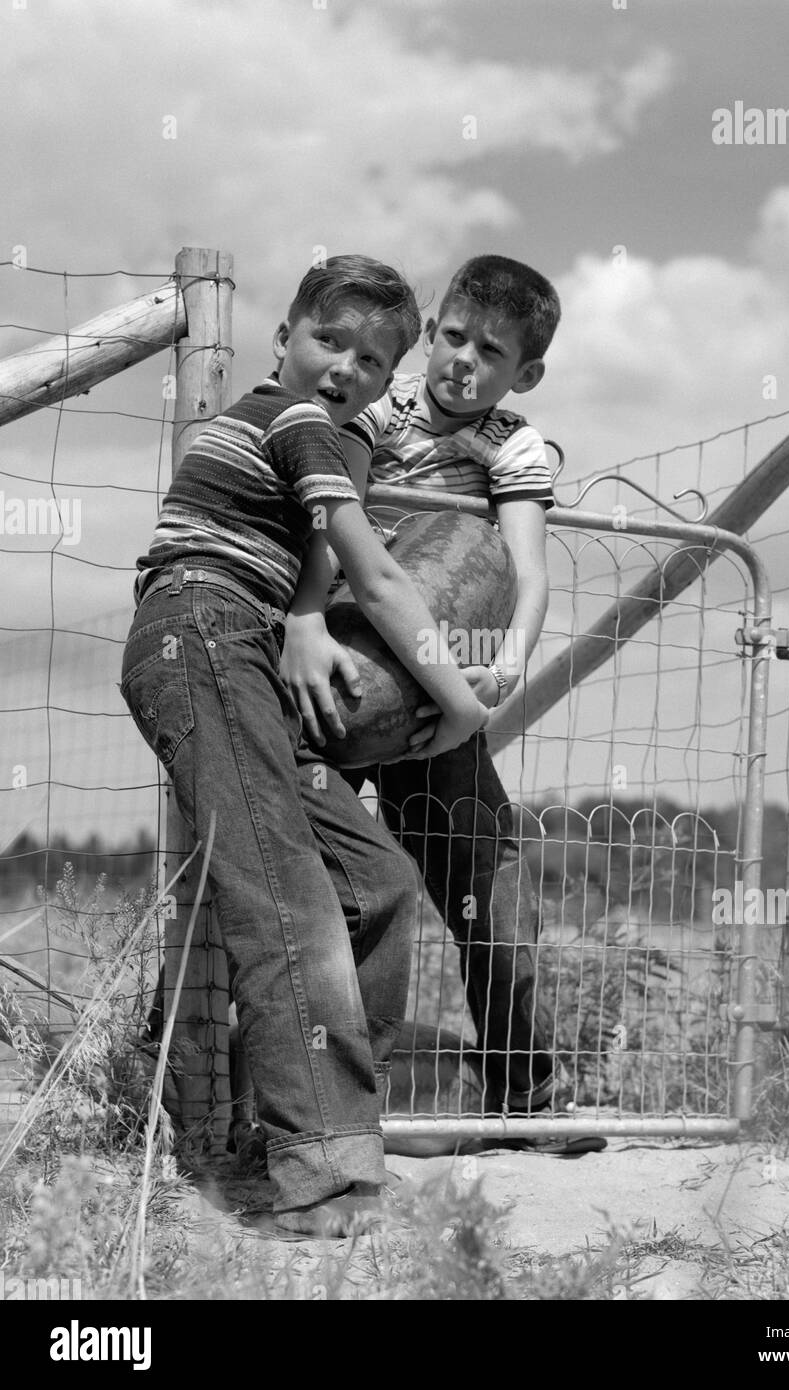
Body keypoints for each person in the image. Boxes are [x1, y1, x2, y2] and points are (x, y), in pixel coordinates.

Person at [121, 256, 489, 1238]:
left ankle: (305, 1128)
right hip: (199, 630)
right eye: (330, 340)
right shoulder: (294, 419)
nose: (346, 368)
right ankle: (321, 1180)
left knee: (375, 884)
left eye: (373, 359)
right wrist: (459, 707)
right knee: (285, 898)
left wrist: (299, 617)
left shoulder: (331, 434)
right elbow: (375, 578)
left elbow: (323, 567)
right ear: (284, 335)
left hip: (245, 640)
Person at [282, 254, 605, 1153]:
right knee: (306, 887)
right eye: (454, 337)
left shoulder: (515, 446)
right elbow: (317, 515)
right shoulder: (376, 409)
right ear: (432, 334)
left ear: (524, 372)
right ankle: (287, 1093)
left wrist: (500, 669)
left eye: (490, 351)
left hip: (438, 703)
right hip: (341, 674)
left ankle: (527, 1098)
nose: (463, 361)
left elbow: (526, 570)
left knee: (490, 894)